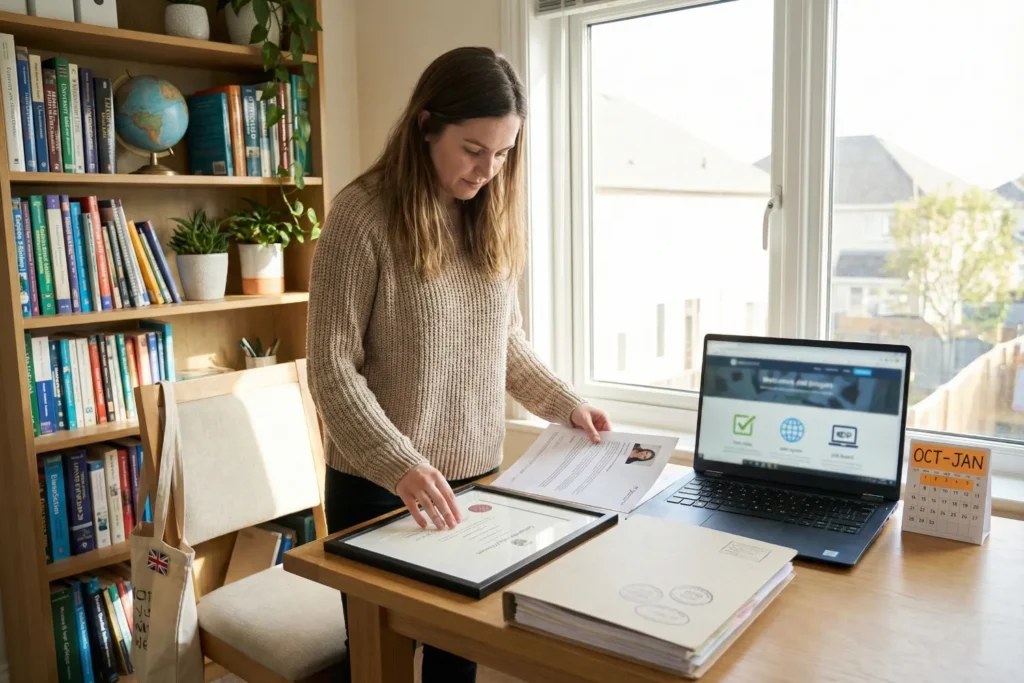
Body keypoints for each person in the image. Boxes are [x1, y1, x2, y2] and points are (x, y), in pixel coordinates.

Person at [306, 46, 611, 683]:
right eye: (474, 149)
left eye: (503, 154)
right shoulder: (361, 215)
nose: (489, 170)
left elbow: (502, 343)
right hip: (378, 488)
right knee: (380, 663)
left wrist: (565, 403)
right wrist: (402, 463)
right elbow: (331, 367)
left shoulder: (490, 215)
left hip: (475, 483)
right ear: (425, 126)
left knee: (455, 666)